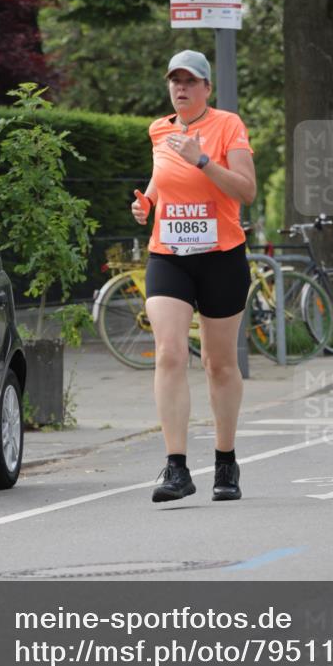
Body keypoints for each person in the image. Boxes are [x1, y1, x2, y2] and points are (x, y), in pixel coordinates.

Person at [131, 49, 256, 504]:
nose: (181, 88)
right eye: (174, 81)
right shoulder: (159, 129)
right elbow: (159, 178)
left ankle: (226, 460)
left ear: (207, 88)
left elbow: (246, 190)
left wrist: (203, 160)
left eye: (190, 81)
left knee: (218, 364)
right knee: (169, 353)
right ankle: (176, 467)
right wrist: (146, 201)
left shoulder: (228, 126)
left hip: (221, 255)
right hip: (170, 254)